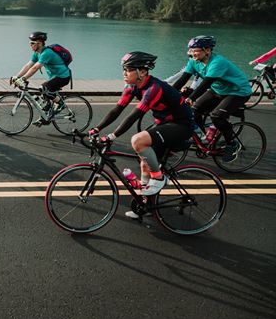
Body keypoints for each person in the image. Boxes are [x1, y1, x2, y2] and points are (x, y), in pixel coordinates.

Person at [88, 52, 195, 209]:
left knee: (138, 141)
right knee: (145, 162)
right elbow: (117, 110)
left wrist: (111, 136)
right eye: (124, 69)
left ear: (142, 72)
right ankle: (146, 206)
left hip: (181, 125)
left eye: (129, 69)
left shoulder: (154, 88)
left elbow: (134, 116)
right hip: (165, 124)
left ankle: (159, 179)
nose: (124, 73)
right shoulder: (132, 87)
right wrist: (96, 129)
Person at [172, 35, 251, 163]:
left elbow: (206, 84)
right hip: (218, 90)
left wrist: (191, 98)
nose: (192, 53)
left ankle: (232, 144)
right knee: (194, 110)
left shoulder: (217, 62)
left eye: (195, 50)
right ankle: (203, 138)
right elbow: (183, 79)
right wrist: (168, 93)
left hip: (238, 91)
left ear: (207, 50)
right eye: (190, 50)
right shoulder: (193, 61)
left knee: (217, 116)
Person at [10, 31, 71, 124]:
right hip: (54, 77)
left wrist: (23, 79)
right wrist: (17, 77)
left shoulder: (47, 53)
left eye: (32, 43)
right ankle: (46, 117)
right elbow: (28, 65)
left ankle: (61, 104)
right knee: (42, 91)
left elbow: (35, 67)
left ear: (39, 43)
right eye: (30, 43)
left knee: (45, 89)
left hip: (63, 76)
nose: (30, 45)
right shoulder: (37, 53)